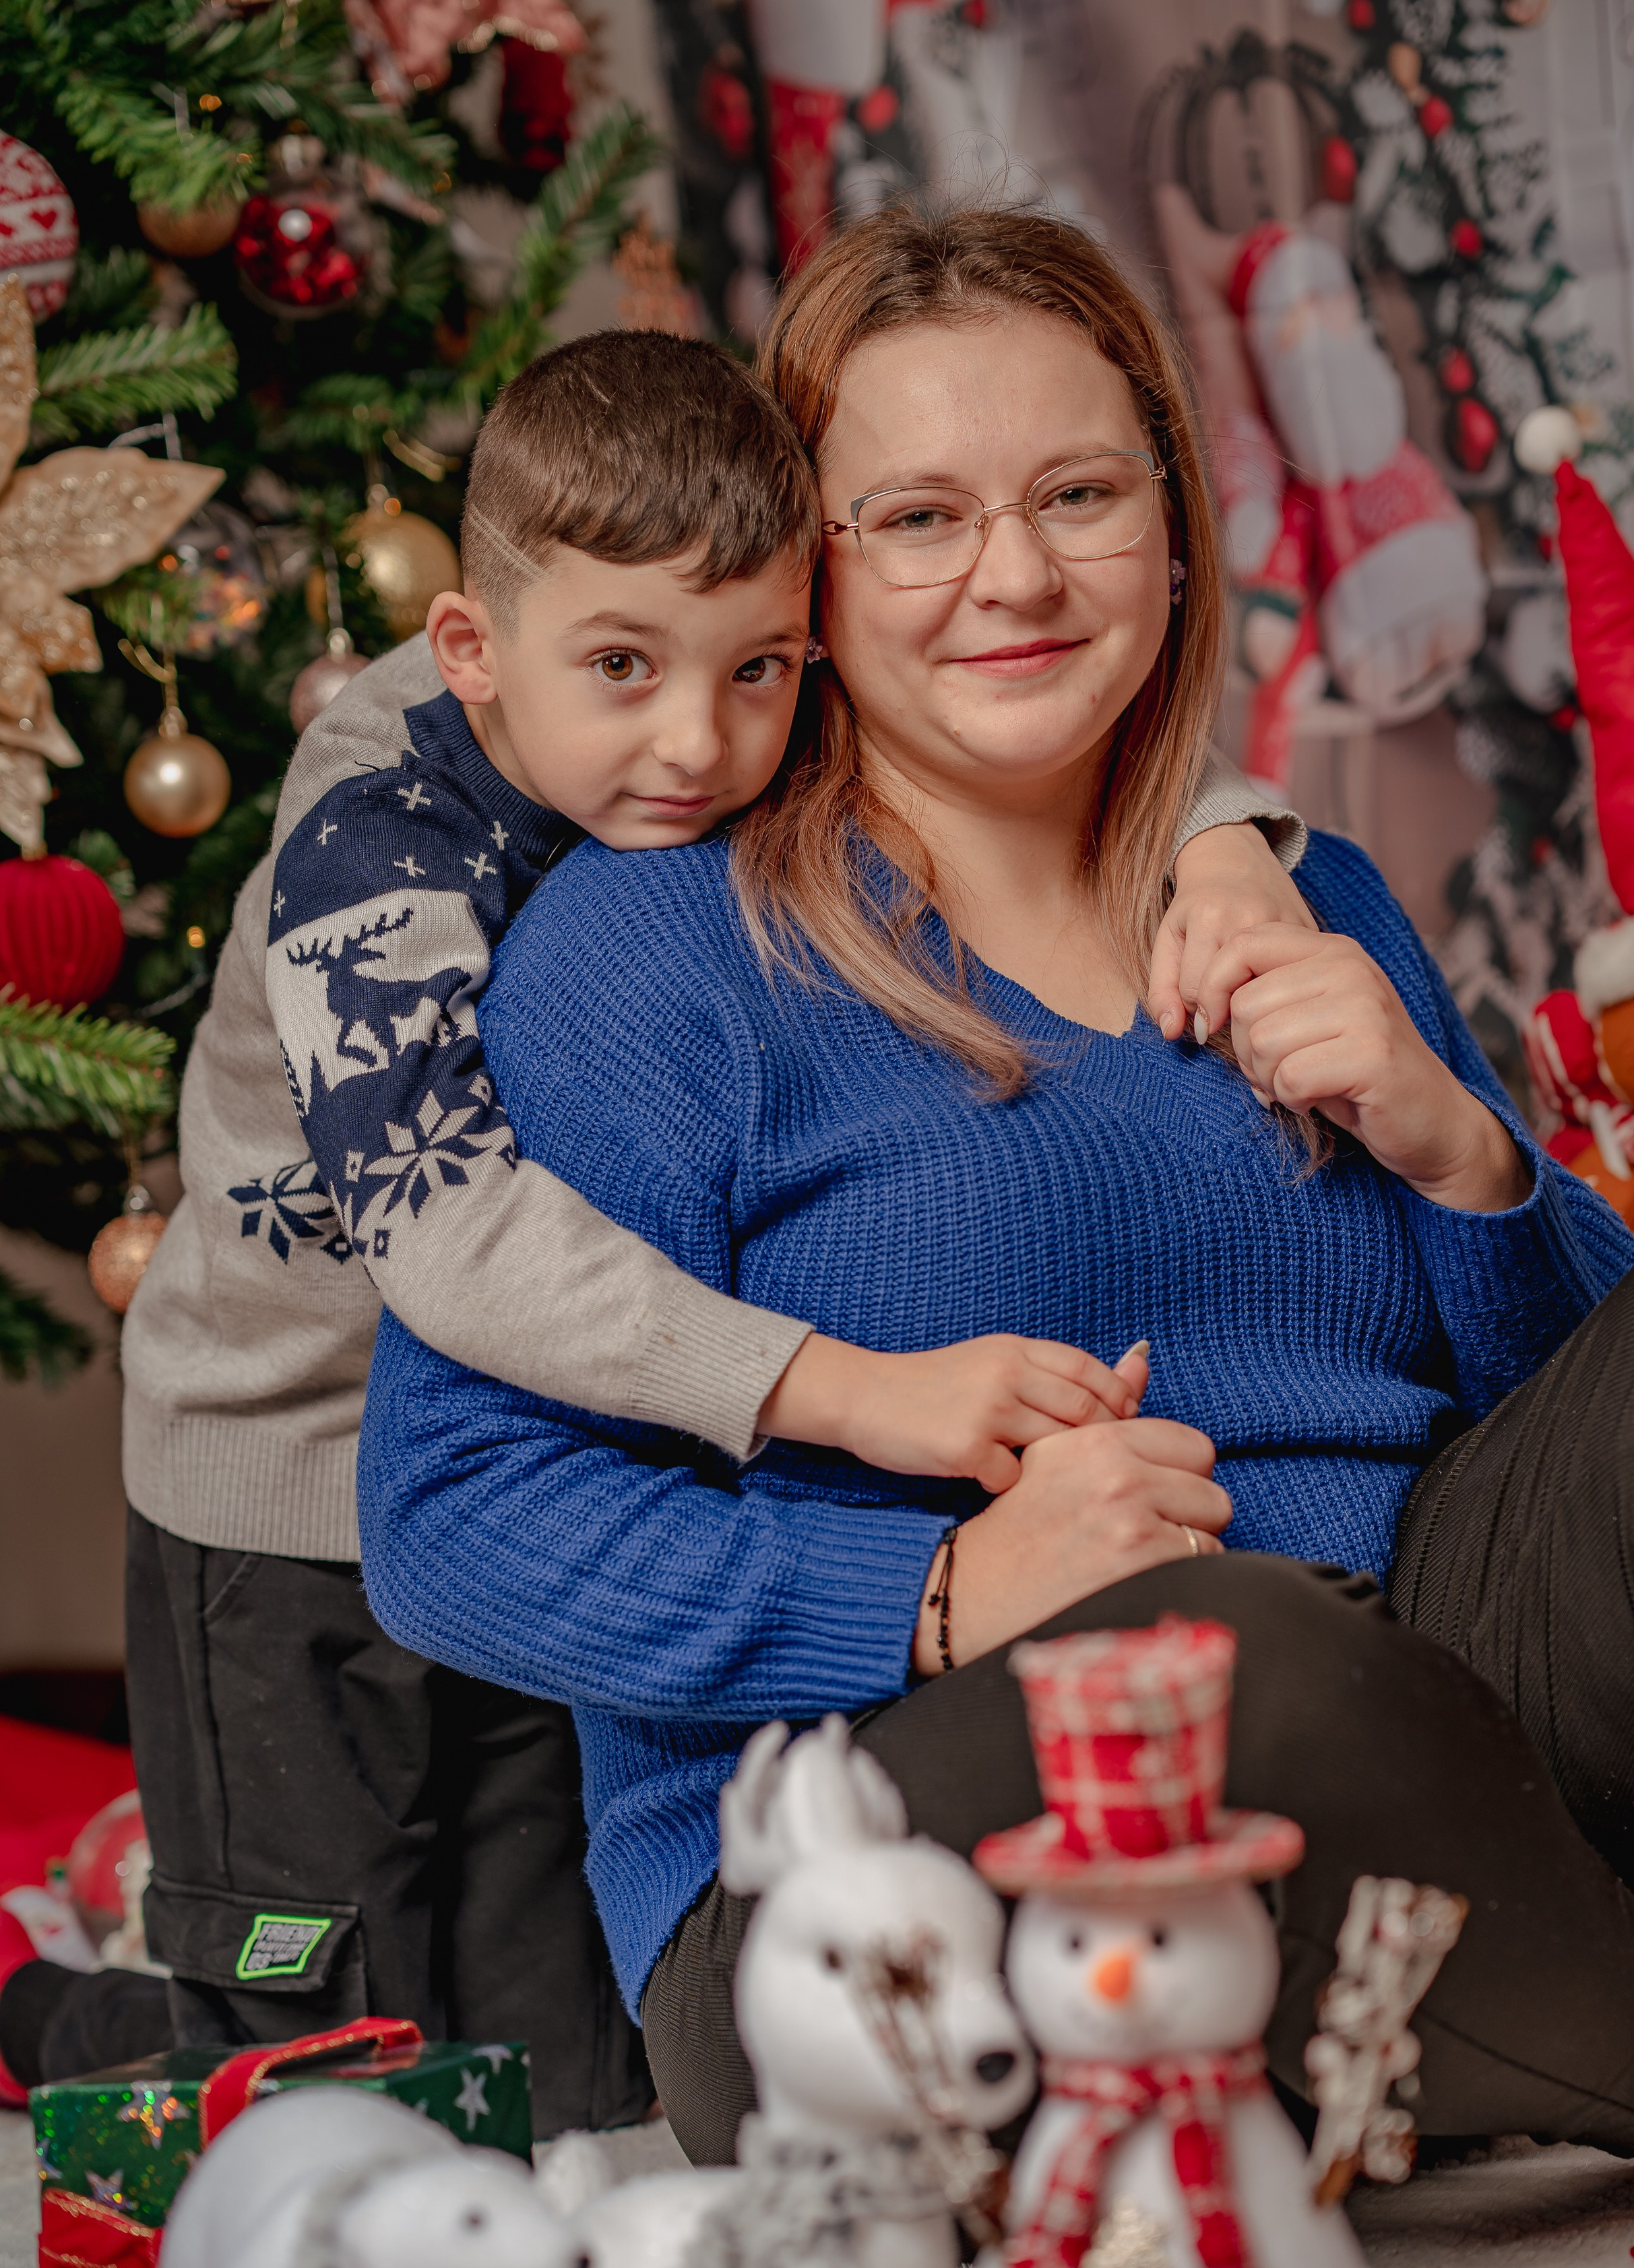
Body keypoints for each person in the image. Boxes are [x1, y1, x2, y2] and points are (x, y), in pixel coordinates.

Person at [360, 204, 1634, 2179]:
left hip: (1436, 1718)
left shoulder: (1309, 899)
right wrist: (932, 1597)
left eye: (1079, 493)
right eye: (918, 518)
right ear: (807, 569)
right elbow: (449, 1521)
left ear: (1170, 523)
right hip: (869, 1882)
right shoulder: (653, 953)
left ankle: (1467, 2001)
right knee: (1231, 1652)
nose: (1015, 574)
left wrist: (1467, 1154)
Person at [20, 329, 1300, 2135]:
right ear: (473, 648)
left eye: (761, 670)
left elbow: (1024, 720)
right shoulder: (377, 836)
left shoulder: (717, 681)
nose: (698, 742)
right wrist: (852, 1390)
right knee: (315, 2059)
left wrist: (1225, 845)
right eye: (620, 668)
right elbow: (455, 1237)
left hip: (572, 1467)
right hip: (286, 1483)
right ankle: (66, 2015)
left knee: (566, 2069)